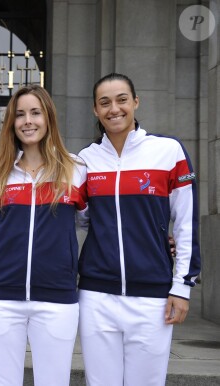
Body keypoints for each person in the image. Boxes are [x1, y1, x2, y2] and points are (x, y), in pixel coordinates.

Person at [77, 73, 201, 386]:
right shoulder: (85, 161)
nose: (113, 108)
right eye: (104, 103)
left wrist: (182, 286)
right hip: (96, 295)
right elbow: (80, 218)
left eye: (121, 99)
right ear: (95, 110)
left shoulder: (168, 151)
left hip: (152, 297)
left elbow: (186, 223)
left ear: (135, 102)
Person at [0, 84, 87, 385]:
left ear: (48, 117)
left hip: (57, 299)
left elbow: (92, 222)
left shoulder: (76, 170)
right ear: (11, 123)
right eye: (20, 114)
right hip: (3, 298)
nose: (28, 121)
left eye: (35, 113)